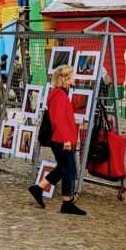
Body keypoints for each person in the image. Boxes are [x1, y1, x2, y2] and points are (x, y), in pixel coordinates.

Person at [28, 65, 87, 215]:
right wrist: (67, 139)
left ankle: (39, 188)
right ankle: (67, 204)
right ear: (65, 79)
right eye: (72, 75)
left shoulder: (59, 94)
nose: (75, 77)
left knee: (63, 168)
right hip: (62, 140)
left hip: (61, 139)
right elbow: (59, 120)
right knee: (69, 170)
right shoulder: (60, 96)